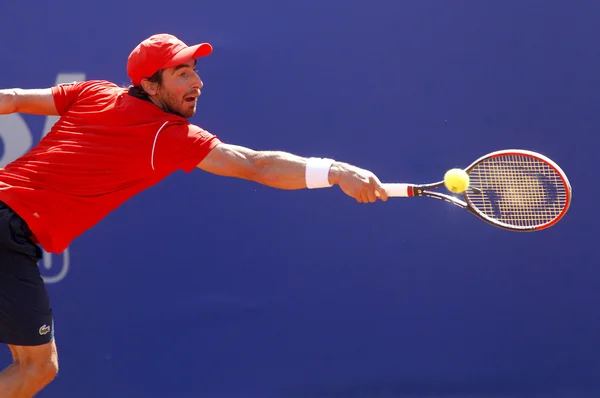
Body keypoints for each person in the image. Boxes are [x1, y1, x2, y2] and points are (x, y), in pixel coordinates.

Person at [0, 33, 388, 397]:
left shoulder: (95, 91)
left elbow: (14, 99)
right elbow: (256, 165)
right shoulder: (166, 136)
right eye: (182, 73)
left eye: (196, 72)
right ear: (150, 85)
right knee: (36, 368)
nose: (196, 83)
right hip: (9, 233)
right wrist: (334, 171)